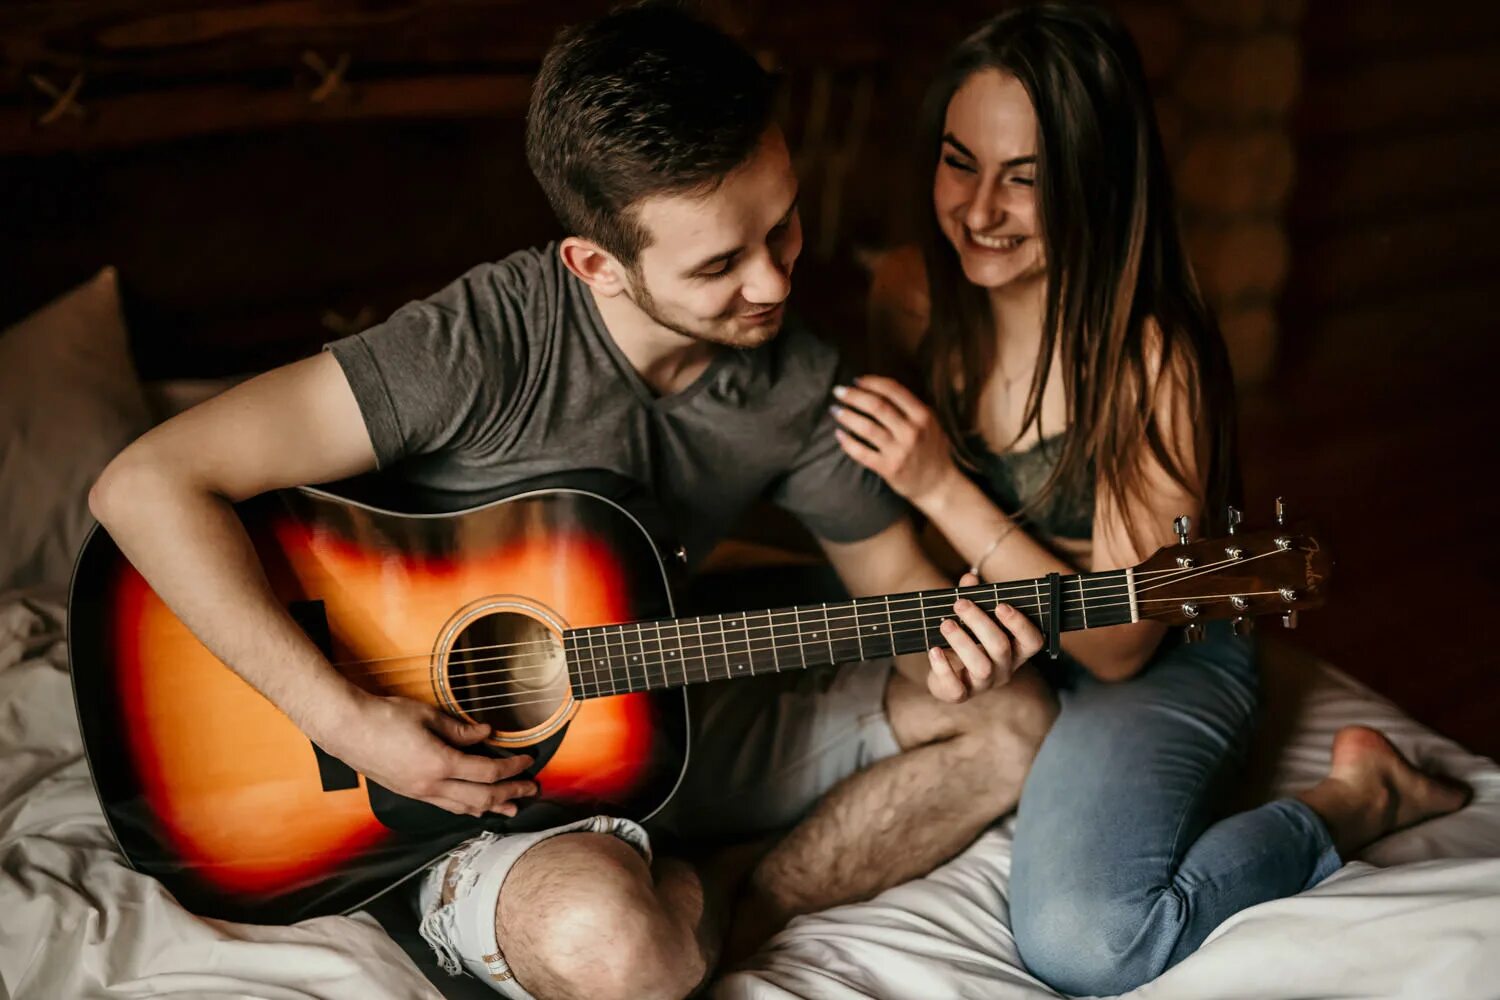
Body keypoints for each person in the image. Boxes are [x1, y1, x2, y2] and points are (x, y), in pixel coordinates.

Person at [89, 5, 1058, 999]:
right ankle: (648, 910)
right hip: (451, 783)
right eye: (721, 264)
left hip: (665, 710)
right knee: (612, 947)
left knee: (1013, 720)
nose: (773, 280)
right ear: (595, 263)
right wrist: (345, 720)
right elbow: (144, 484)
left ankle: (735, 895)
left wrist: (952, 638)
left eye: (783, 224)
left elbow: (891, 583)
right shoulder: (480, 344)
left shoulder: (799, 380)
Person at [843, 3, 1471, 995]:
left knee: (1087, 939)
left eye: (1026, 178)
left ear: (1094, 186)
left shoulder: (1152, 360)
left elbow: (1118, 641)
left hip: (1152, 655)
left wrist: (938, 481)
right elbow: (898, 528)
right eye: (960, 162)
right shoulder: (914, 295)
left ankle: (1359, 797)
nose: (977, 210)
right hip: (1005, 635)